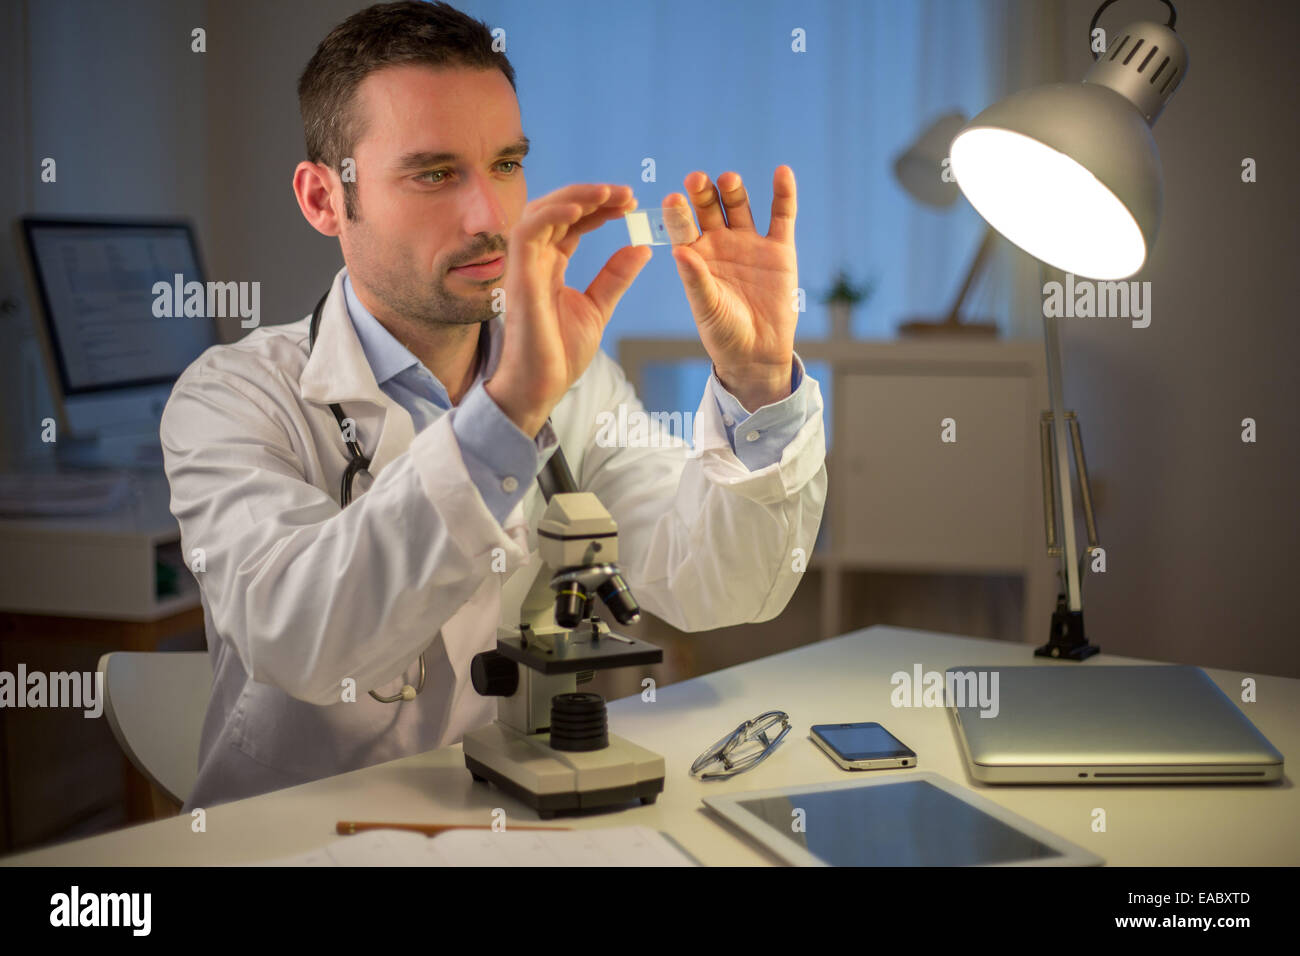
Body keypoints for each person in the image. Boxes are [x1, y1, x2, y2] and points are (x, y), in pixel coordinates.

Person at [161, 0, 826, 810]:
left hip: (503, 820)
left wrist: (759, 389)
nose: (490, 218)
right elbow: (301, 636)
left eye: (506, 164)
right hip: (294, 837)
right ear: (323, 200)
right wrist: (508, 413)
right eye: (434, 173)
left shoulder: (576, 386)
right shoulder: (231, 398)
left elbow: (714, 587)